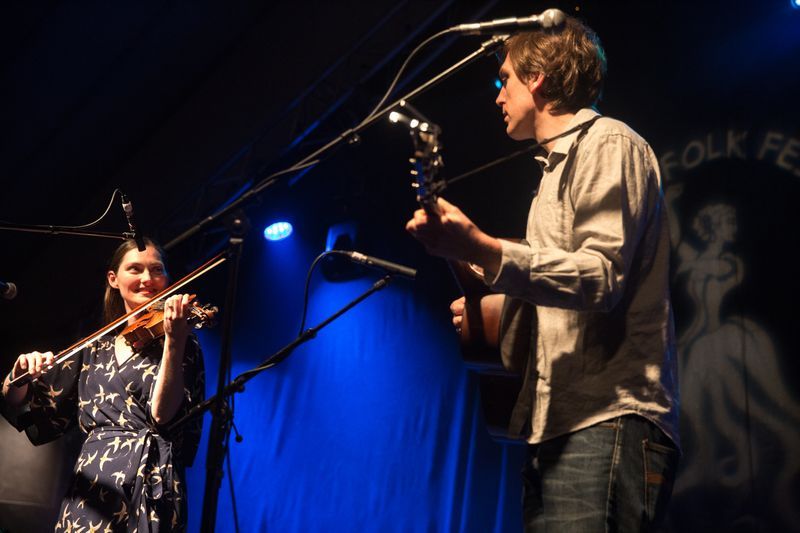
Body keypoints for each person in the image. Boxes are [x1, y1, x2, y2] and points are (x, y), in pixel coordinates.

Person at [406, 15, 680, 532]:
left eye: (503, 79)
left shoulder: (607, 143)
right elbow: (565, 301)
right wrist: (496, 313)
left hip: (608, 417)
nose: (497, 95)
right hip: (559, 426)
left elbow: (600, 276)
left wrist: (488, 251)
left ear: (536, 78)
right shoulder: (549, 179)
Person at [1, 238, 204, 532]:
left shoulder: (183, 341)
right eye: (135, 269)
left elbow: (163, 415)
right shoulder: (95, 349)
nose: (147, 279)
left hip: (151, 482)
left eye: (157, 270)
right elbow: (19, 402)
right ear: (114, 279)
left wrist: (174, 341)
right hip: (93, 486)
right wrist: (18, 372)